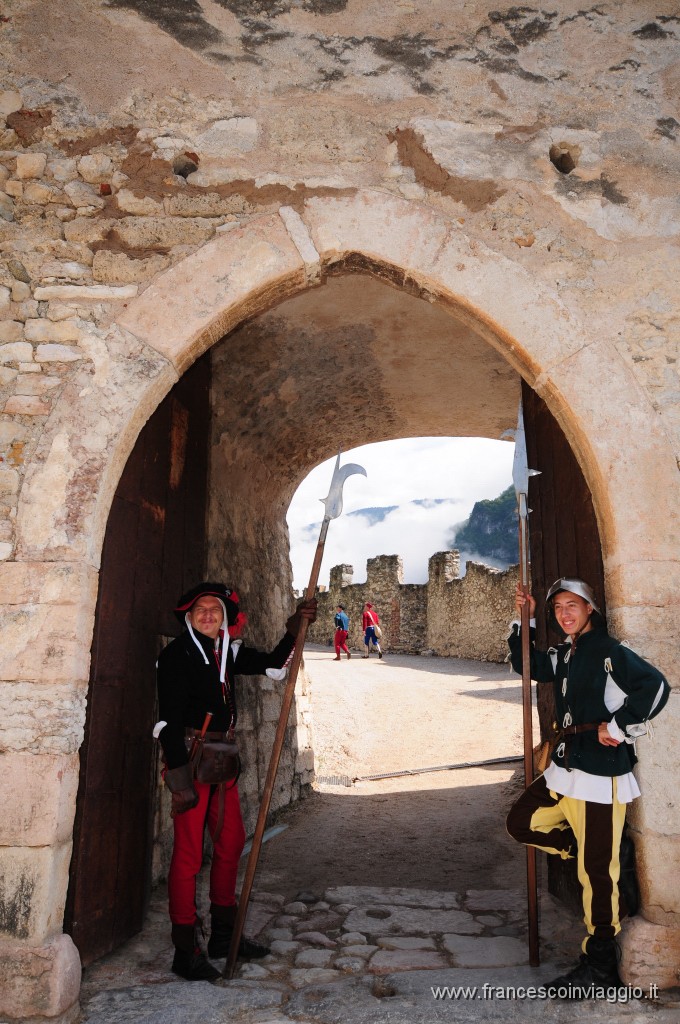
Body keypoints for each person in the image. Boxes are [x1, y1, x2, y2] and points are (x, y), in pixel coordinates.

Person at [506, 578, 669, 998]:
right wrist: (523, 622)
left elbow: (656, 687)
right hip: (566, 767)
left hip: (600, 773)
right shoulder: (564, 652)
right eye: (558, 607)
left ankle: (599, 964)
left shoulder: (608, 651)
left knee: (597, 876)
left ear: (589, 609)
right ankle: (585, 847)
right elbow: (530, 666)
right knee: (521, 821)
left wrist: (617, 727)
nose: (564, 613)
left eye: (572, 605)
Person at [155, 581, 317, 982]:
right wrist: (180, 783)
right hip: (192, 763)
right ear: (189, 618)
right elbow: (168, 725)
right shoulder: (176, 656)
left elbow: (274, 663)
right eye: (200, 610)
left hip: (223, 762)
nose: (209, 614)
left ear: (225, 617)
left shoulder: (226, 652)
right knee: (189, 857)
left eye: (215, 609)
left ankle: (224, 938)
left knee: (230, 843)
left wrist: (296, 625)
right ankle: (185, 950)